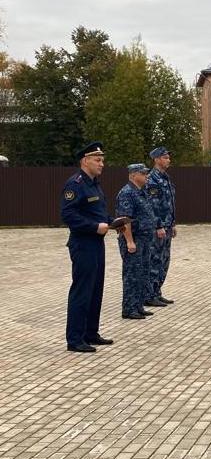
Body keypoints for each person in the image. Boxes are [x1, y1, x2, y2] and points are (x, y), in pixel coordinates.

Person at [60, 142, 113, 352]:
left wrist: (113, 221)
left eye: (102, 160)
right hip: (83, 244)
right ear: (85, 161)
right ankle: (75, 339)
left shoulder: (94, 184)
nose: (102, 164)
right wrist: (94, 227)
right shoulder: (76, 184)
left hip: (97, 243)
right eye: (97, 160)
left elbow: (99, 212)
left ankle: (91, 332)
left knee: (95, 289)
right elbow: (68, 215)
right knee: (82, 290)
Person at [116, 164, 159, 320]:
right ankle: (129, 308)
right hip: (134, 240)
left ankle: (138, 306)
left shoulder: (142, 192)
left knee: (142, 273)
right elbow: (124, 220)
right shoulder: (127, 193)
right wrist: (129, 241)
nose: (146, 176)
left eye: (146, 173)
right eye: (143, 173)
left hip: (145, 240)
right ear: (133, 175)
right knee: (132, 275)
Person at [147, 146, 176, 305]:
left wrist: (173, 223)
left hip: (167, 226)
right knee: (155, 260)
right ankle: (149, 295)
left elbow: (169, 203)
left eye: (168, 157)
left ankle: (157, 292)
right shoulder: (152, 179)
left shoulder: (165, 178)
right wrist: (158, 226)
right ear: (157, 159)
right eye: (165, 157)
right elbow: (152, 206)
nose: (168, 160)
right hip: (158, 228)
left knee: (164, 260)